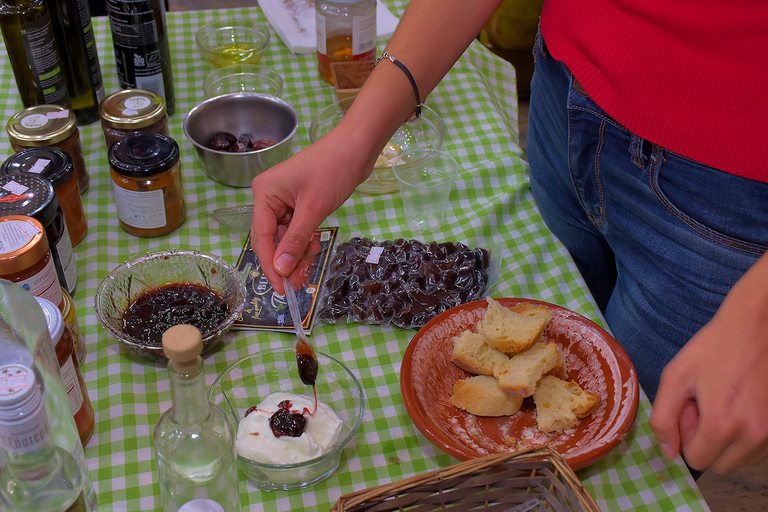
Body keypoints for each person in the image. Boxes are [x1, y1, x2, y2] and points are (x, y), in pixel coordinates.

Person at [250, 0, 768, 475]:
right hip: (563, 101)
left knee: (647, 459)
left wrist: (759, 312)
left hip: (730, 186)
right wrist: (356, 139)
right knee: (565, 353)